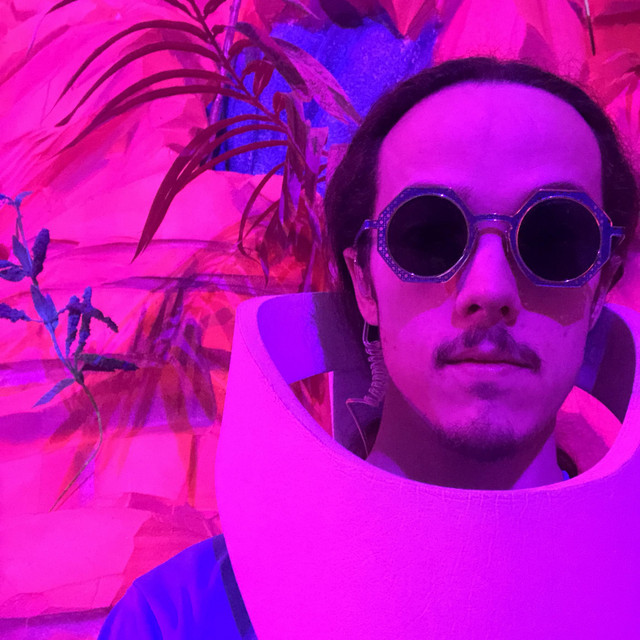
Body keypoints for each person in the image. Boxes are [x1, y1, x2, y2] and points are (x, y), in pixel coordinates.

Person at [98, 57, 639, 639]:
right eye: (429, 235)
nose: (489, 290)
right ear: (363, 282)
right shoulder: (182, 619)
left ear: (602, 284)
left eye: (555, 237)